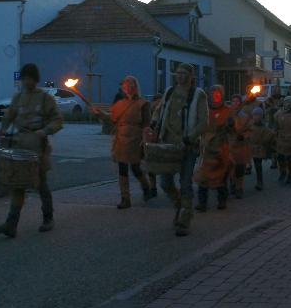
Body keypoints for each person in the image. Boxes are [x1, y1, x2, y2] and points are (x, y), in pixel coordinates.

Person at [0, 63, 63, 238]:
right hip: (20, 146)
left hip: (38, 148)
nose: (26, 82)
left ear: (35, 79)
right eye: (24, 78)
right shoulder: (18, 97)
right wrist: (2, 129)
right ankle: (11, 224)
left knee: (41, 184)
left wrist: (44, 131)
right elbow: (9, 115)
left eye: (29, 78)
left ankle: (48, 218)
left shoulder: (45, 98)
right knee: (18, 185)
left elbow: (58, 120)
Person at [152, 63, 208, 237]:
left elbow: (203, 122)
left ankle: (184, 218)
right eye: (178, 73)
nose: (180, 76)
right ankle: (180, 206)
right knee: (165, 182)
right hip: (167, 144)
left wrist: (189, 138)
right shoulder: (169, 92)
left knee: (185, 183)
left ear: (191, 76)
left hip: (187, 146)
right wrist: (153, 125)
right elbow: (159, 111)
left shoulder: (198, 95)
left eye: (184, 73)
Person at [93, 76, 152, 209]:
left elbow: (147, 124)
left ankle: (146, 186)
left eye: (131, 84)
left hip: (135, 139)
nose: (128, 86)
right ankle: (125, 198)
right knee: (122, 167)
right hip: (121, 138)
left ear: (136, 86)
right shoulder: (120, 104)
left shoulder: (143, 103)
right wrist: (100, 113)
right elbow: (112, 118)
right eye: (126, 84)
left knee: (136, 168)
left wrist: (145, 140)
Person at [194, 85, 232, 211]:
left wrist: (231, 126)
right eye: (213, 94)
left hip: (221, 148)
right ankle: (202, 203)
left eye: (218, 94)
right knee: (203, 176)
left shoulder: (227, 110)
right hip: (206, 148)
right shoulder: (205, 110)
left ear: (222, 95)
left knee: (220, 176)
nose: (215, 96)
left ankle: (222, 200)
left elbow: (234, 130)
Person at [274, 96, 291, 184]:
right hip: (281, 139)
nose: (287, 104)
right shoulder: (279, 113)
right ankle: (282, 172)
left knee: (290, 158)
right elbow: (276, 126)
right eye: (286, 102)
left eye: (289, 102)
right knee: (280, 157)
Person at [228, 94, 251, 199]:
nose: (235, 103)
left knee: (240, 169)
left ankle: (239, 188)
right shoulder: (228, 116)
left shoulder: (244, 116)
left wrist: (244, 136)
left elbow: (249, 130)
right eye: (233, 101)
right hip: (230, 146)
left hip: (241, 147)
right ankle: (232, 184)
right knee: (230, 168)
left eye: (237, 101)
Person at [249, 107, 275, 191]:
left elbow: (270, 135)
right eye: (255, 115)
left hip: (259, 149)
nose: (256, 117)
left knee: (258, 165)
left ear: (261, 116)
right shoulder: (249, 126)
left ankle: (259, 182)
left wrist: (264, 143)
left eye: (258, 115)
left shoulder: (264, 128)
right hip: (250, 148)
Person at [265, 84, 283, 169]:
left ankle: (280, 161)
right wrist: (272, 108)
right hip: (271, 124)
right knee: (272, 144)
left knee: (280, 144)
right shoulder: (269, 100)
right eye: (275, 89)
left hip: (281, 124)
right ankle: (273, 161)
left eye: (278, 89)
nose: (276, 91)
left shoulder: (282, 99)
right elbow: (266, 111)